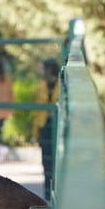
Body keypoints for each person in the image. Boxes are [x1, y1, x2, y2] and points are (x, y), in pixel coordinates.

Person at [34, 58, 60, 198]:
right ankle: (48, 195)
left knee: (58, 161)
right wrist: (36, 131)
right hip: (45, 126)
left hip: (57, 127)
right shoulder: (41, 85)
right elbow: (37, 111)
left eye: (42, 68)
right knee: (47, 161)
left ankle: (59, 192)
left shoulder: (61, 84)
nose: (40, 71)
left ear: (49, 69)